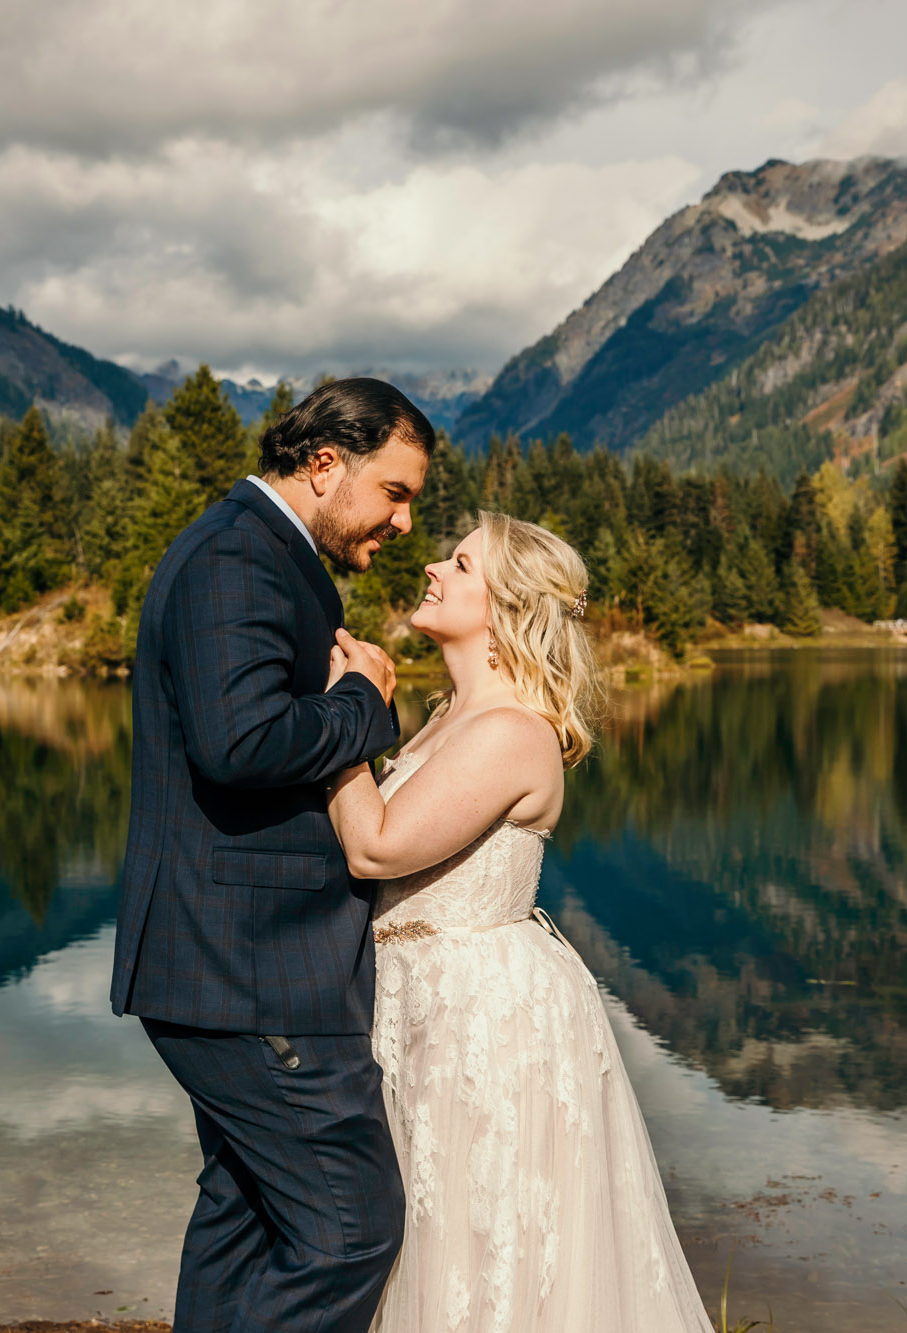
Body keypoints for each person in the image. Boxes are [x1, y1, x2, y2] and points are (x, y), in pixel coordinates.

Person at [326, 512, 712, 1333]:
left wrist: (344, 715)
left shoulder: (510, 731)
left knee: (480, 1246)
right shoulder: (446, 717)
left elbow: (376, 845)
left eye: (459, 563)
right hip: (422, 1006)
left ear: (503, 606)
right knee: (426, 1240)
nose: (432, 567)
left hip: (483, 1020)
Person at [109, 377, 432, 1333]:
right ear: (325, 464)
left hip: (237, 966)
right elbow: (239, 741)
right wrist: (363, 703)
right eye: (396, 492)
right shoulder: (236, 559)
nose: (405, 522)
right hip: (251, 969)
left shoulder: (265, 555)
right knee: (350, 1231)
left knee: (245, 1217)